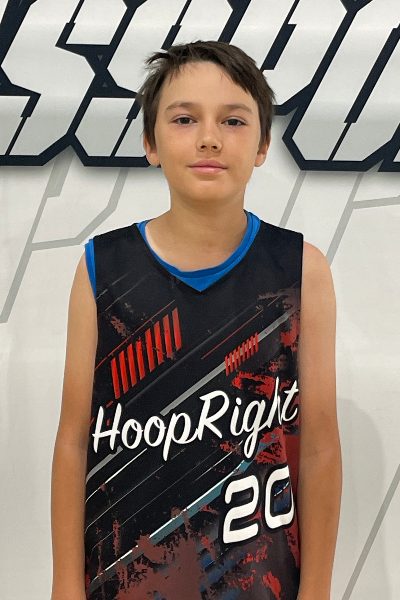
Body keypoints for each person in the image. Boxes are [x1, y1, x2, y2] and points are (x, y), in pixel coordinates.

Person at [51, 40, 342, 600]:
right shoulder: (103, 267)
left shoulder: (301, 270)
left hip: (260, 583)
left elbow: (320, 447)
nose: (209, 137)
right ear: (150, 142)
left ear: (262, 145)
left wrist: (318, 590)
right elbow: (73, 442)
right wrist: (66, 584)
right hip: (123, 584)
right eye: (184, 119)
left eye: (233, 120)